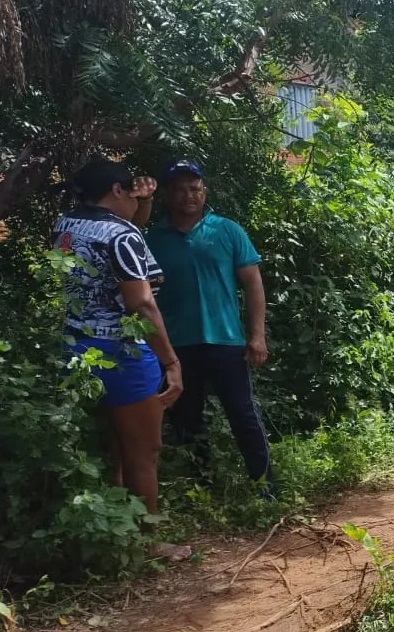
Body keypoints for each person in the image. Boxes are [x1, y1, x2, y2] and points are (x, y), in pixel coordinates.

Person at [54, 159, 191, 562]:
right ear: (116, 191)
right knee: (144, 452)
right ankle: (147, 542)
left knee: (112, 446)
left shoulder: (66, 225)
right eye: (131, 191)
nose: (136, 197)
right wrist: (170, 362)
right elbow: (142, 304)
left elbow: (125, 237)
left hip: (77, 348)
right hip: (123, 352)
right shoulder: (120, 235)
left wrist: (142, 204)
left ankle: (114, 533)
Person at [143, 159, 276, 499]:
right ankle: (203, 491)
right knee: (186, 421)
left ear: (205, 192)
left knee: (243, 415)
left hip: (225, 341)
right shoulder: (152, 239)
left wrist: (257, 335)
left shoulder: (227, 230)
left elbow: (253, 283)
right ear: (168, 195)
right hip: (176, 348)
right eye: (180, 189)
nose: (188, 195)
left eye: (195, 189)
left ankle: (266, 490)